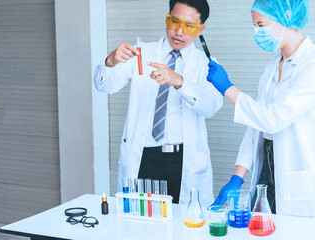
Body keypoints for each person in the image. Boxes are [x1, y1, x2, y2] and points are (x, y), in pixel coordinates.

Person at [208, 0, 315, 219]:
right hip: (267, 169)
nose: (256, 32)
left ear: (285, 18)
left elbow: (273, 119)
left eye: (261, 25)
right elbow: (256, 124)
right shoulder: (271, 67)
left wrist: (227, 88)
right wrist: (238, 177)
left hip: (302, 179)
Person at [94, 0, 223, 205]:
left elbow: (212, 106)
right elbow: (105, 86)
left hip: (183, 159)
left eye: (189, 26)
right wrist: (111, 61)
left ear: (201, 29)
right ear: (168, 17)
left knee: (184, 228)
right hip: (144, 157)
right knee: (139, 223)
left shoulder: (206, 64)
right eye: (174, 21)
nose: (179, 31)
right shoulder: (141, 53)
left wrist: (179, 81)